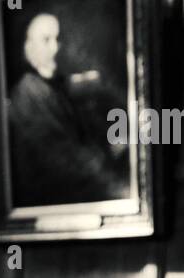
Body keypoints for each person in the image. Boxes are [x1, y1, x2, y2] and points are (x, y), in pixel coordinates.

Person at [8, 13, 127, 209]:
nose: (55, 47)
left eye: (58, 39)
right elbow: (62, 156)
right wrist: (113, 181)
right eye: (46, 40)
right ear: (28, 47)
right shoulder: (27, 93)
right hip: (58, 194)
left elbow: (85, 127)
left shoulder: (60, 86)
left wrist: (113, 144)